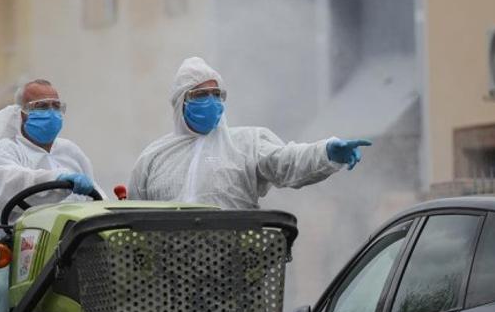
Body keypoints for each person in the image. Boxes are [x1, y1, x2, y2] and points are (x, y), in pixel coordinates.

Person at [129, 56, 371, 209]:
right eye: (201, 95)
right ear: (180, 102)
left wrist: (325, 152)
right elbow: (131, 216)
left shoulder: (246, 144)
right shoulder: (154, 158)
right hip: (168, 274)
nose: (211, 101)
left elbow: (287, 161)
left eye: (216, 94)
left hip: (232, 269)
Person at [0, 79, 104, 312]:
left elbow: (96, 198)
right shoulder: (5, 151)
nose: (50, 113)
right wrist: (58, 180)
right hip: (12, 254)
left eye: (56, 106)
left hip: (68, 250)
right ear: (21, 113)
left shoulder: (71, 153)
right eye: (41, 106)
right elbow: (11, 183)